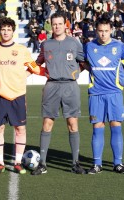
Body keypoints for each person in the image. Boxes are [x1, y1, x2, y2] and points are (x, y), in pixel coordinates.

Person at [0, 17, 44, 175]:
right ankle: (0, 163)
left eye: (9, 29)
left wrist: (48, 74)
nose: (6, 32)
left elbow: (34, 68)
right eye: (3, 29)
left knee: (20, 128)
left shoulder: (22, 50)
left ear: (13, 31)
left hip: (18, 95)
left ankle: (18, 162)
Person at [31, 13, 86, 176]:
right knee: (47, 124)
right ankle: (42, 163)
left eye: (60, 24)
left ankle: (75, 163)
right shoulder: (46, 44)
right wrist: (23, 74)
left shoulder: (74, 43)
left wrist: (76, 72)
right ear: (51, 25)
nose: (57, 27)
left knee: (72, 124)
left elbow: (83, 62)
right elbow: (37, 63)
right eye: (54, 24)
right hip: (52, 86)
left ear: (65, 25)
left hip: (70, 86)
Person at [83, 18, 124, 174]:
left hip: (114, 93)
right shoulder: (89, 46)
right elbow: (83, 62)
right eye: (100, 31)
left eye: (106, 31)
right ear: (96, 31)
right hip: (96, 93)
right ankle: (97, 164)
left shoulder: (119, 46)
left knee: (116, 126)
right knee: (98, 127)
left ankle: (118, 163)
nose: (103, 34)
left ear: (111, 30)